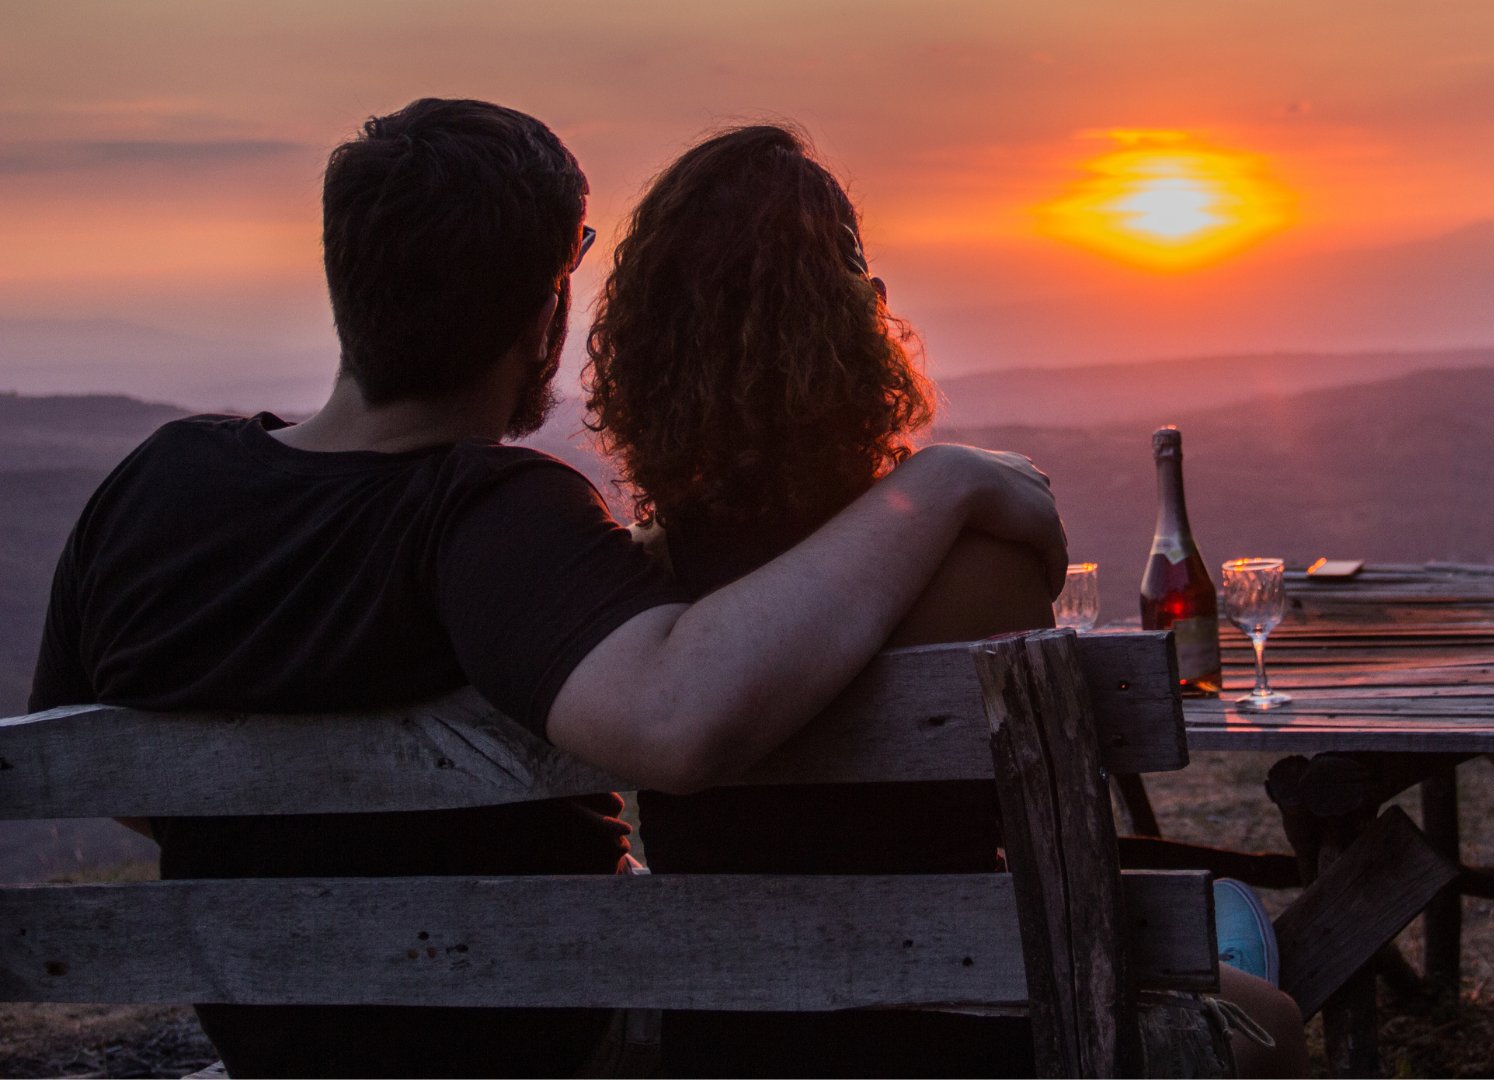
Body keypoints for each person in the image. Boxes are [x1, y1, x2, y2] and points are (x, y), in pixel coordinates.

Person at [28, 99, 1066, 1078]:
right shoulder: (490, 516)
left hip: (275, 1042)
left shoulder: (158, 479)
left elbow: (105, 778)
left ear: (347, 273)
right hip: (555, 1043)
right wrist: (942, 480)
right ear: (544, 315)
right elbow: (678, 722)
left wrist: (305, 904)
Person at [584, 123, 1307, 1077]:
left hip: (733, 1038)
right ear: (859, 323)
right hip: (979, 1024)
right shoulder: (976, 570)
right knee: (1276, 1015)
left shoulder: (639, 592)